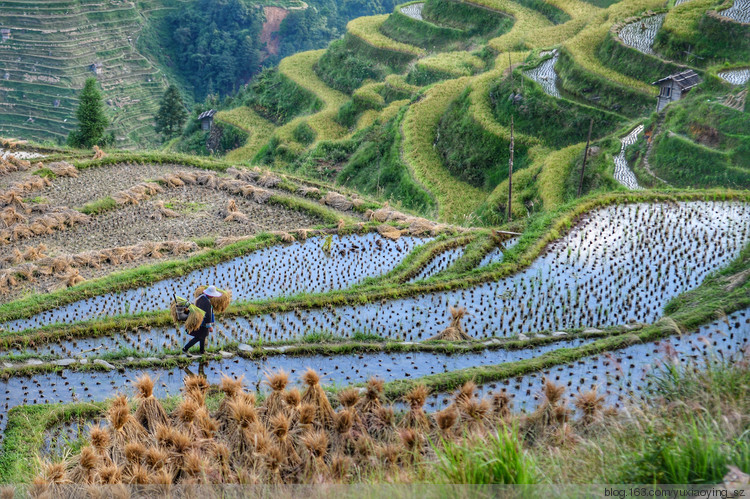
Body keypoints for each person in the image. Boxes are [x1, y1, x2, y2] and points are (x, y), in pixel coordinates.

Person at [182, 285, 221, 356]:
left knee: (203, 336)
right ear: (211, 295)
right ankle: (185, 349)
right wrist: (209, 326)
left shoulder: (201, 297)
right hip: (203, 323)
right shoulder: (207, 303)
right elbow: (208, 316)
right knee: (198, 337)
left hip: (198, 321)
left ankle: (202, 351)